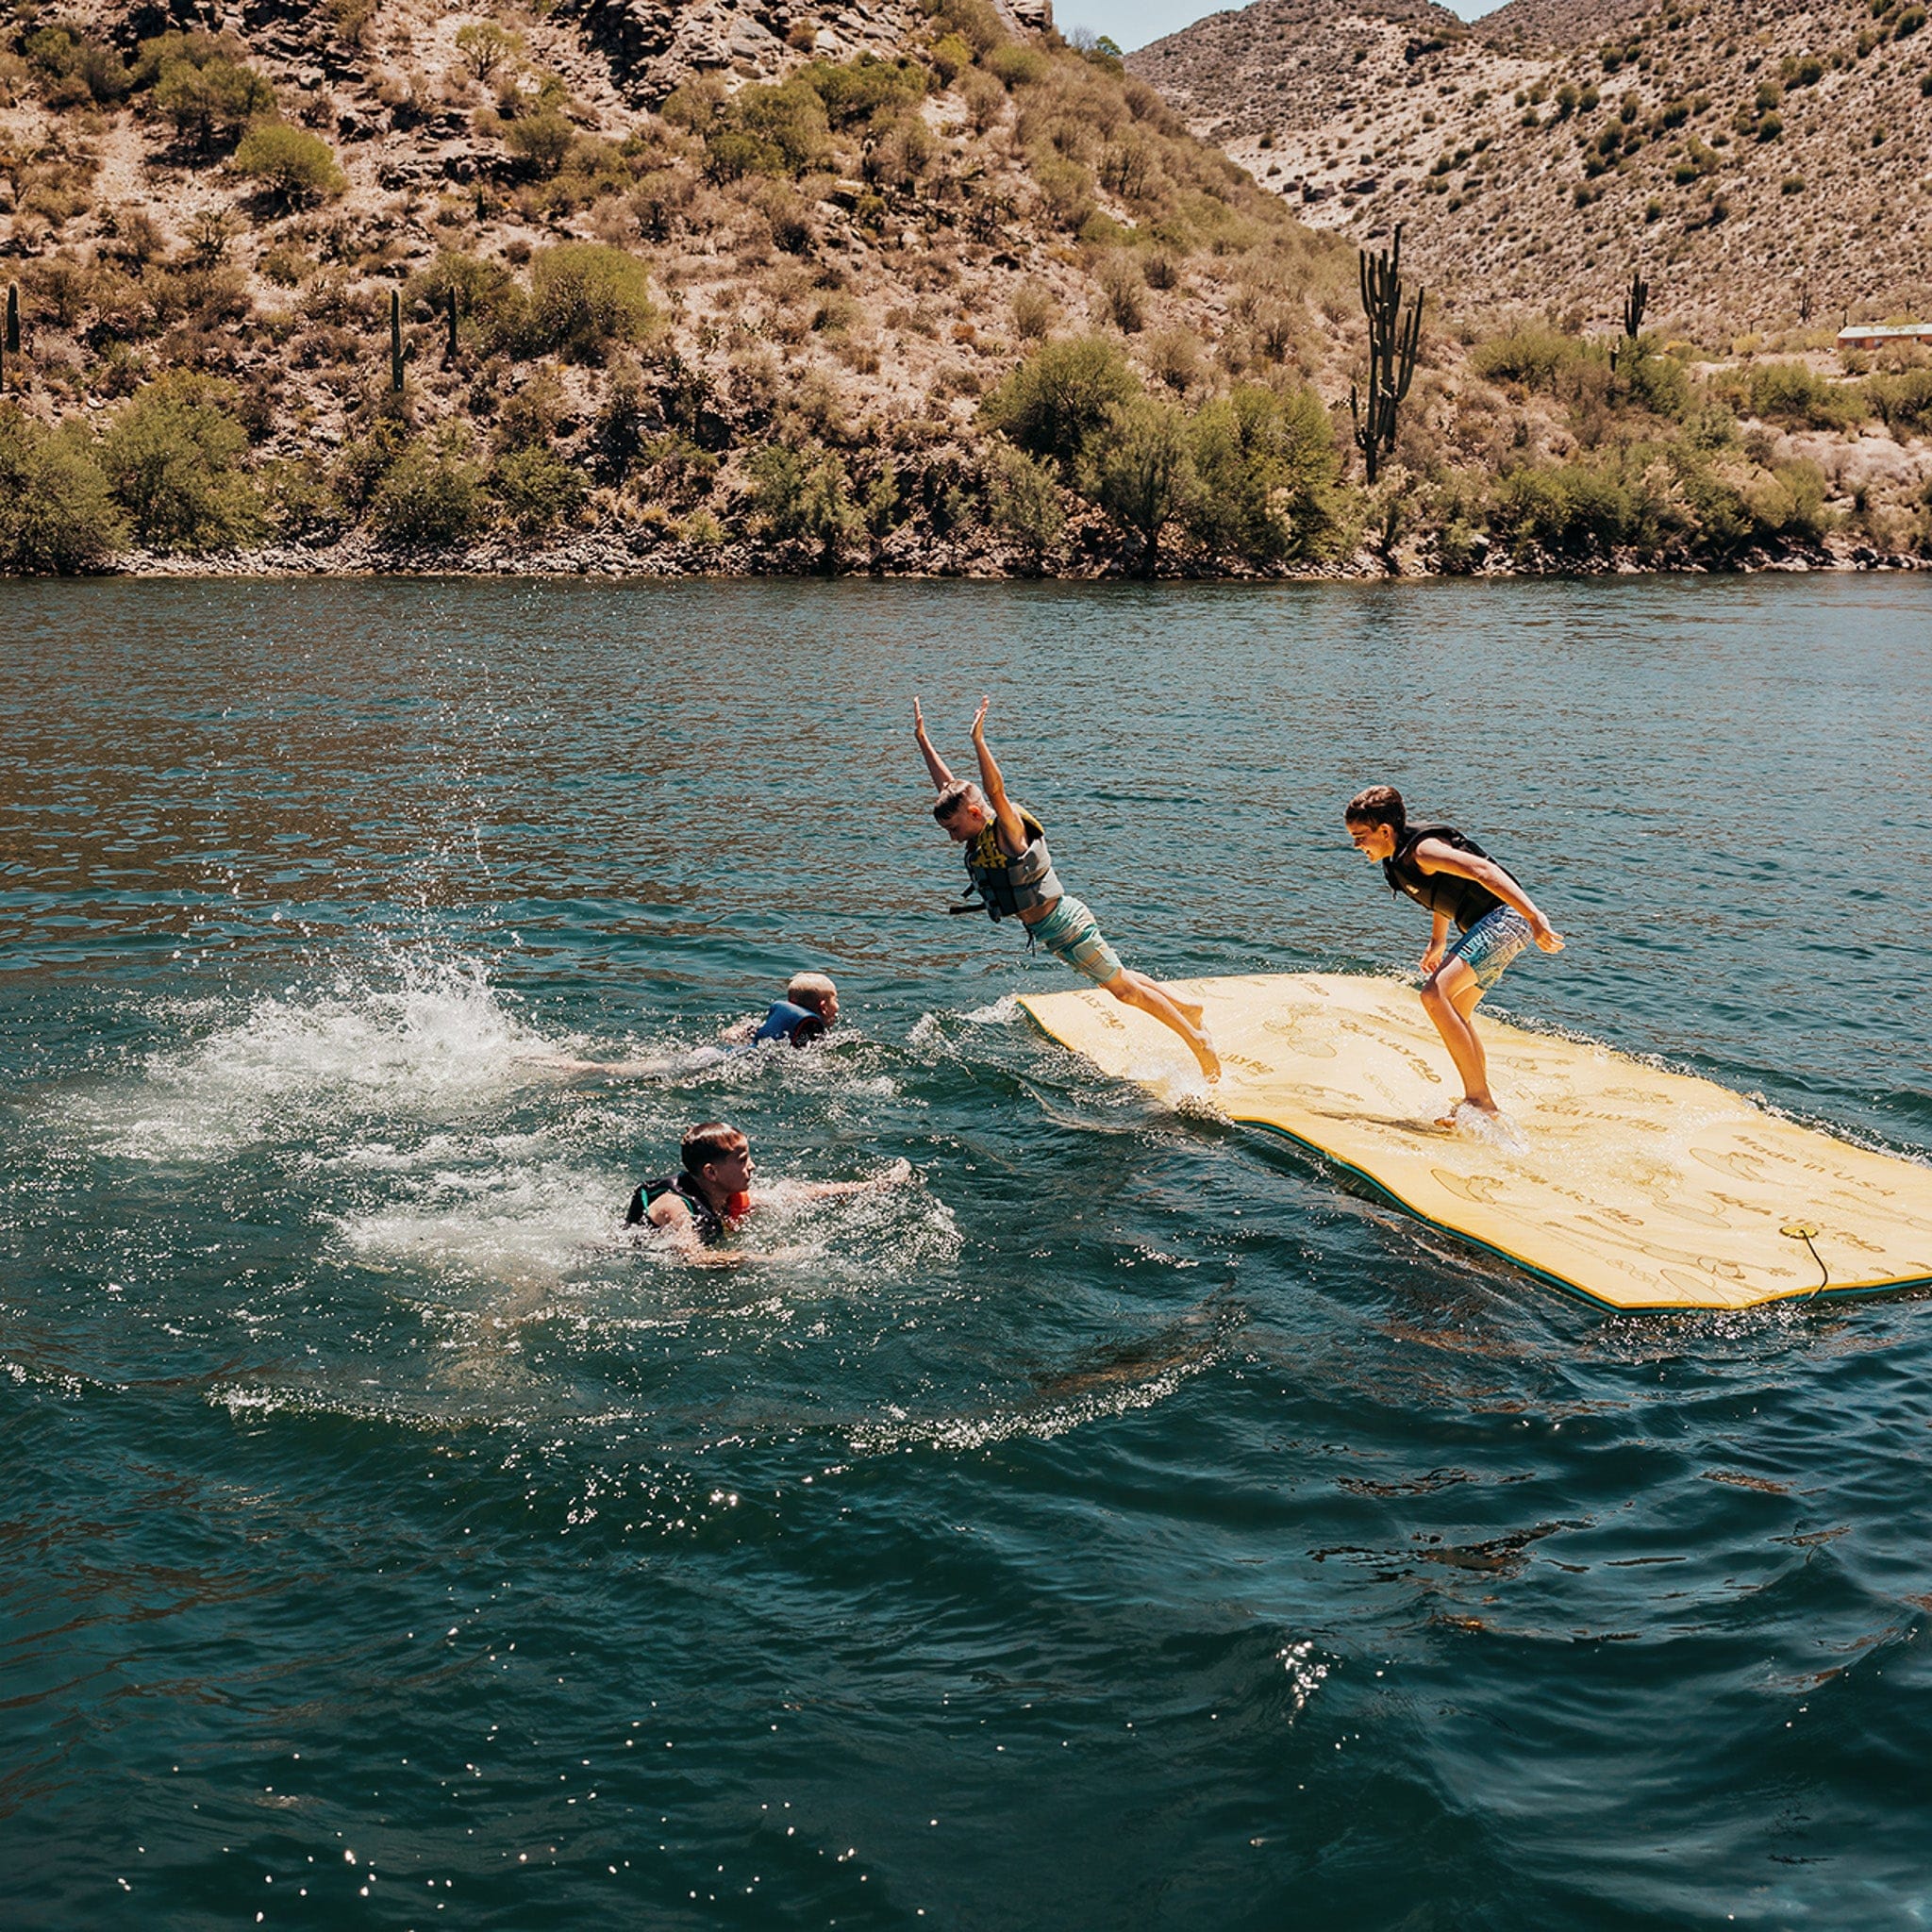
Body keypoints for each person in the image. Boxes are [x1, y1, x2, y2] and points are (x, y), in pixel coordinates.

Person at [913, 695, 1219, 1081]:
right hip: (1052, 930)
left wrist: (979, 741)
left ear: (974, 814)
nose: (952, 837)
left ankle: (1196, 1040)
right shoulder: (976, 829)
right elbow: (950, 788)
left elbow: (995, 792)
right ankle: (1187, 1008)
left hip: (1065, 924)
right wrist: (923, 741)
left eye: (954, 828)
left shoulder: (1007, 833)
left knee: (1123, 990)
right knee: (1119, 976)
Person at [1343, 784, 1565, 1127]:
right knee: (1457, 1010)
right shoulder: (1400, 857)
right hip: (1496, 925)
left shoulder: (1424, 850)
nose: (1356, 845)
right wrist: (1438, 940)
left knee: (1434, 995)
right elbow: (1442, 892)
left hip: (1507, 919)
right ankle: (1480, 1103)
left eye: (1361, 837)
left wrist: (1534, 917)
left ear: (1384, 831)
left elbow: (1484, 871)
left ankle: (1480, 1101)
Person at [626, 1119, 909, 1263]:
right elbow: (692, 1257)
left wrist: (869, 1187)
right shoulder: (675, 1207)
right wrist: (769, 1259)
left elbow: (795, 1194)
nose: (752, 1166)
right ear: (711, 1173)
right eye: (742, 1161)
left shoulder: (721, 1195)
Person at [529, 973, 840, 1078]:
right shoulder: (810, 1032)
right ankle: (569, 1066)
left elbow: (732, 1034)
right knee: (618, 1072)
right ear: (823, 1006)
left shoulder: (770, 1022)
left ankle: (564, 1064)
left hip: (711, 1053)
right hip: (719, 1064)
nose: (838, 1008)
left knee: (637, 1069)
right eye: (835, 1000)